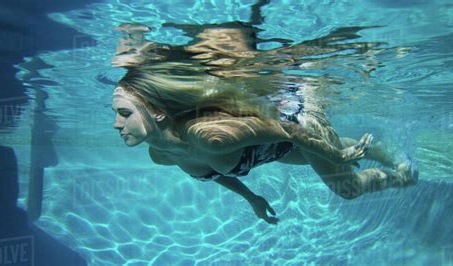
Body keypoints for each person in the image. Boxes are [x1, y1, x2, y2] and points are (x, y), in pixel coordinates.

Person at [111, 24, 418, 224]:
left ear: (159, 113)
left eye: (124, 113)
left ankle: (403, 173)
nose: (115, 124)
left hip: (293, 123)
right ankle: (385, 153)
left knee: (347, 187)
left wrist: (335, 156)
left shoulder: (209, 135)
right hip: (274, 149)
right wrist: (252, 198)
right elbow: (210, 172)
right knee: (336, 152)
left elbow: (290, 131)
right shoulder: (160, 153)